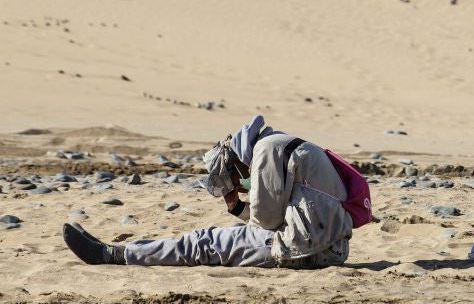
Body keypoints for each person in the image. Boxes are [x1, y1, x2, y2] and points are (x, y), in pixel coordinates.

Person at [62, 115, 354, 268]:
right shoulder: (283, 144)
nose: (240, 179)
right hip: (330, 248)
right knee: (214, 240)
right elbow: (280, 217)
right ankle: (127, 250)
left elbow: (265, 223)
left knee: (203, 242)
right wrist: (238, 208)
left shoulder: (266, 151)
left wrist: (239, 203)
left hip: (304, 249)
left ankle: (112, 255)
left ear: (239, 158)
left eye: (234, 174)